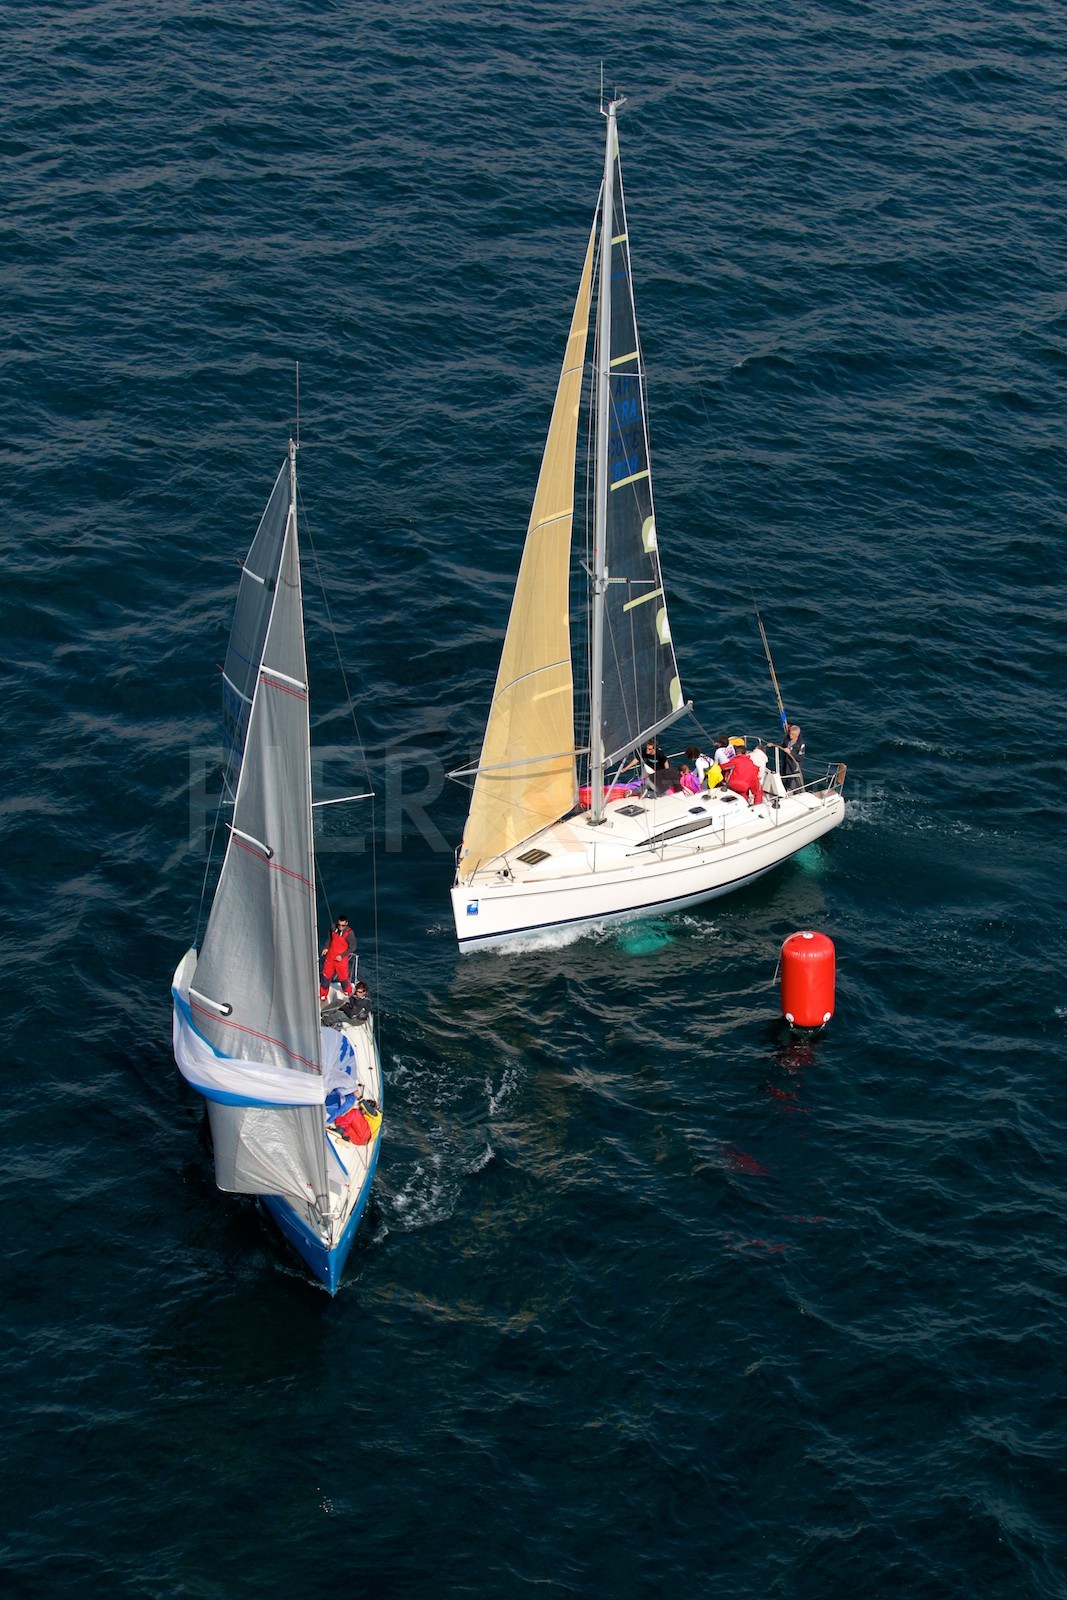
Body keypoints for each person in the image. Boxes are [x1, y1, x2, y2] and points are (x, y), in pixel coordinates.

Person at [319, 915, 357, 1003]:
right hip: (330, 957)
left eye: (343, 925)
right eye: (339, 925)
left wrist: (342, 956)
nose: (340, 927)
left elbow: (352, 947)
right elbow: (329, 939)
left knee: (343, 977)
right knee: (326, 976)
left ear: (346, 924)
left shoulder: (349, 934)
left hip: (341, 960)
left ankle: (347, 991)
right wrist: (326, 947)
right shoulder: (333, 928)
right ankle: (323, 995)